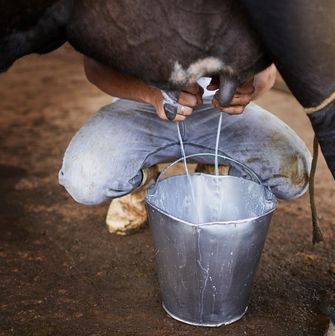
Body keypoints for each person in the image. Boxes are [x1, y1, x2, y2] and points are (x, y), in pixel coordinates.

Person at [58, 57, 312, 234]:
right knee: (85, 182)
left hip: (220, 113)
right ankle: (142, 182)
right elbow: (94, 67)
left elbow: (267, 71)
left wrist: (247, 90)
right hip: (141, 105)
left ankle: (217, 171)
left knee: (295, 176)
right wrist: (152, 94)